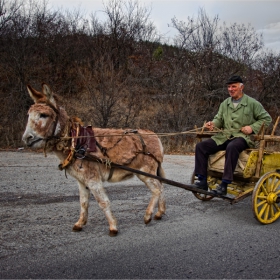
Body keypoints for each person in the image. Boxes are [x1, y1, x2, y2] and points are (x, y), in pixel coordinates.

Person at [194, 75, 272, 195]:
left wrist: (252, 128)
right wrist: (212, 124)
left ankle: (224, 184)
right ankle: (202, 181)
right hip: (224, 136)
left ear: (241, 87)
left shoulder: (252, 103)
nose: (231, 89)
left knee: (232, 146)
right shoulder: (225, 103)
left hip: (242, 138)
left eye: (234, 86)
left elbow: (267, 119)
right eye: (229, 87)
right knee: (201, 147)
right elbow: (218, 119)